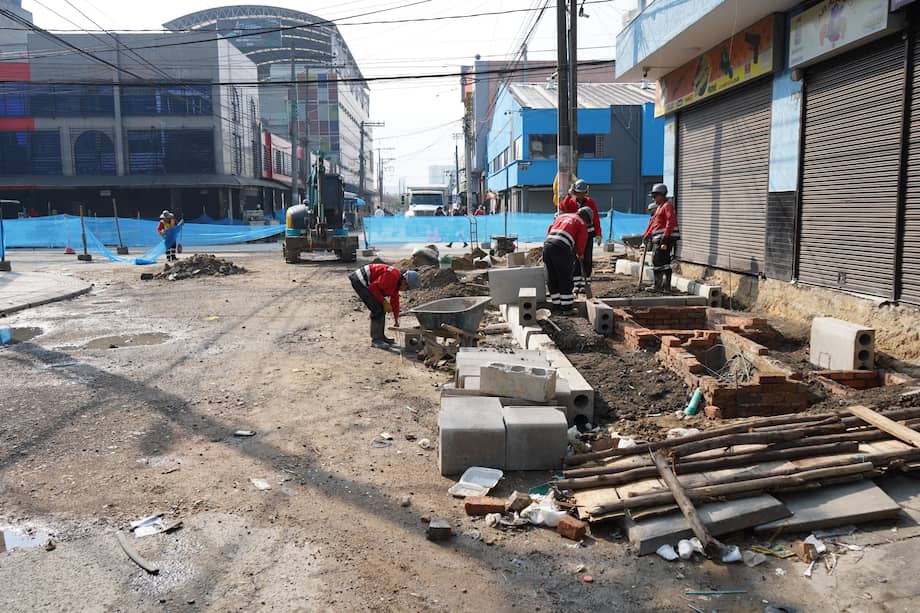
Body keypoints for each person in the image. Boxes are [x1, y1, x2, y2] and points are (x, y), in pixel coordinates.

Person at [349, 264, 420, 349]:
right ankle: (376, 340)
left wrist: (396, 320)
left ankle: (381, 337)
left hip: (367, 282)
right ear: (404, 281)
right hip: (360, 280)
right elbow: (373, 287)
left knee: (380, 308)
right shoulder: (391, 277)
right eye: (407, 288)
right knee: (377, 309)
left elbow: (395, 302)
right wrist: (384, 301)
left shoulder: (396, 284)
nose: (405, 290)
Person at [543, 206, 592, 314]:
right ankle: (567, 308)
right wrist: (580, 254)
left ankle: (556, 305)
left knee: (552, 276)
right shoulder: (581, 223)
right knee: (565, 277)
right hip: (561, 247)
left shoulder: (562, 216)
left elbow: (550, 229)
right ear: (586, 218)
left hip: (547, 245)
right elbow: (582, 240)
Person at [558, 179, 602, 292]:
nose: (581, 195)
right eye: (578, 192)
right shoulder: (571, 202)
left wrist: (598, 233)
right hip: (576, 235)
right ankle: (576, 283)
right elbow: (562, 206)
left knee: (587, 259)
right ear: (575, 192)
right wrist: (568, 194)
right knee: (575, 259)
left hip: (588, 234)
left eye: (582, 192)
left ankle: (585, 282)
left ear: (586, 192)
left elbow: (596, 217)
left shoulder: (590, 202)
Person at [642, 183, 680, 292]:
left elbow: (671, 221)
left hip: (665, 239)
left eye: (655, 196)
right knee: (662, 261)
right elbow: (655, 224)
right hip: (660, 239)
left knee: (659, 260)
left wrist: (665, 236)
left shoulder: (666, 206)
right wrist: (647, 235)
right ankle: (664, 286)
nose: (653, 199)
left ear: (662, 195)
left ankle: (659, 286)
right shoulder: (659, 207)